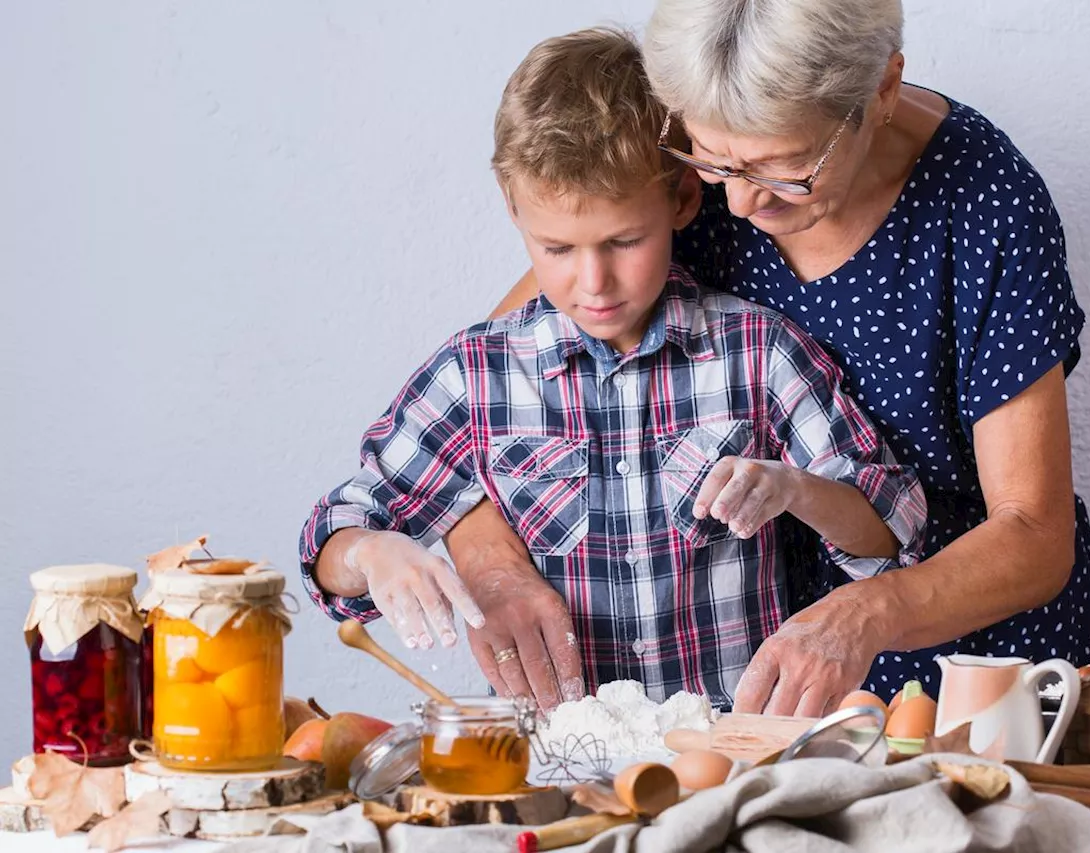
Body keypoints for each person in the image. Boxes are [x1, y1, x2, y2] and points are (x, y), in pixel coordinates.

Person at [459, 0, 1090, 717]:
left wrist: (868, 612)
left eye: (787, 171)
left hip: (974, 667)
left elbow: (1035, 535)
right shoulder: (676, 164)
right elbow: (482, 404)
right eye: (715, 164)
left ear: (882, 91)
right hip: (755, 683)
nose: (736, 203)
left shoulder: (984, 202)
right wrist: (494, 570)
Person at [298, 27, 927, 711]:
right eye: (558, 247)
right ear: (515, 214)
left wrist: (795, 489)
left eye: (625, 241)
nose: (593, 281)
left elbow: (894, 530)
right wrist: (373, 555)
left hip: (729, 763)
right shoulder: (475, 378)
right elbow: (332, 536)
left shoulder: (761, 354)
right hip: (556, 774)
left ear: (685, 200)